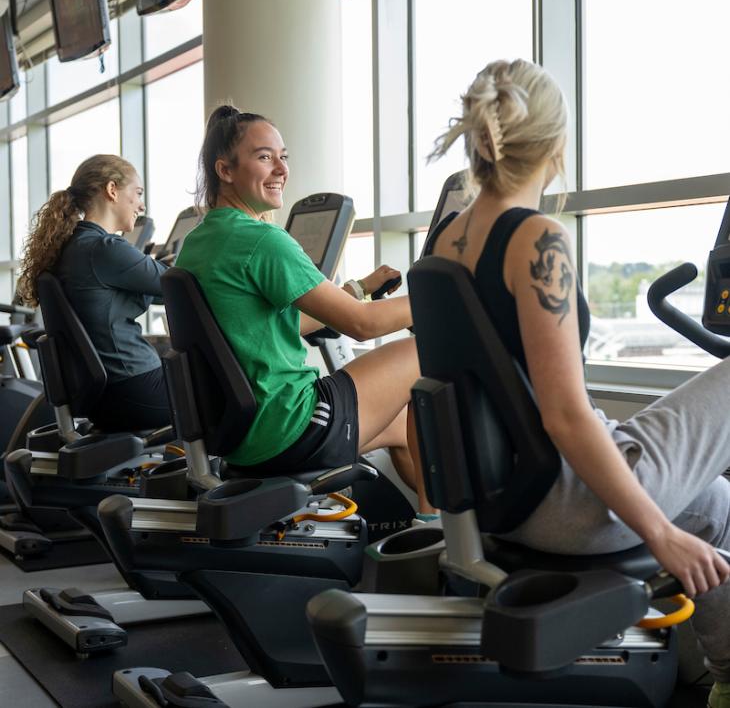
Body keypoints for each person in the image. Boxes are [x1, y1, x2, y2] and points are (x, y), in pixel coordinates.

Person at [424, 57, 730, 706]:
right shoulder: (537, 238)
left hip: (506, 499)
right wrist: (660, 534)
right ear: (558, 148)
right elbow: (565, 417)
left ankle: (720, 675)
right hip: (569, 503)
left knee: (715, 506)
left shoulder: (448, 240)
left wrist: (676, 524)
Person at [175, 106, 434, 516]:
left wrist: (357, 290)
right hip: (292, 426)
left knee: (404, 428)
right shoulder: (262, 241)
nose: (281, 168)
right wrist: (444, 296)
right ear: (225, 170)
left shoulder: (199, 242)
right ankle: (449, 544)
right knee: (424, 355)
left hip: (245, 437)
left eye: (283, 156)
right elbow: (362, 325)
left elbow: (276, 324)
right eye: (264, 157)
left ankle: (430, 533)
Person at [17, 154, 172, 432]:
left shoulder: (72, 246)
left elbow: (154, 292)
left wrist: (147, 269)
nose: (141, 204)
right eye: (137, 193)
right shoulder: (104, 248)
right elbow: (177, 286)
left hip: (105, 395)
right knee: (220, 383)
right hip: (135, 390)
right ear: (112, 190)